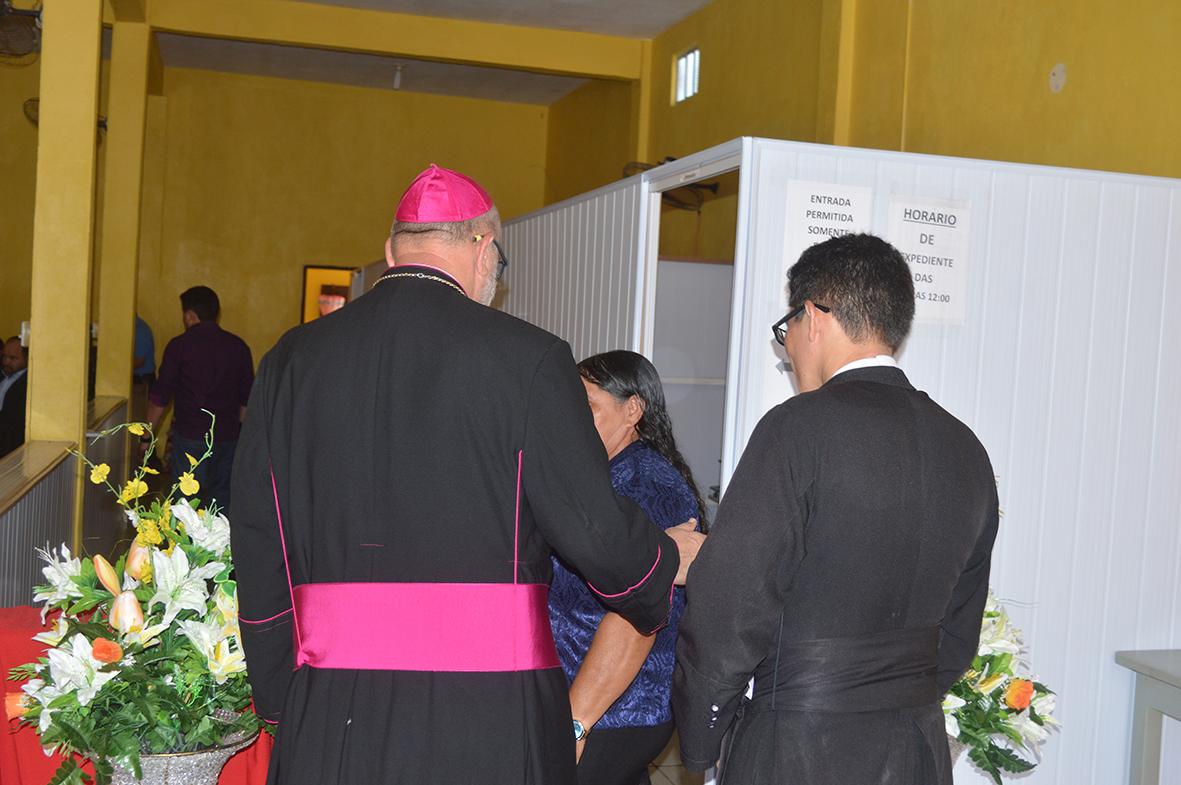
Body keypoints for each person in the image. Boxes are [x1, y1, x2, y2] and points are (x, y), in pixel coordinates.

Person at [230, 164, 704, 785]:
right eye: (498, 263)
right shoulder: (531, 359)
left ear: (391, 250)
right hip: (492, 708)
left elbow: (260, 538)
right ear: (483, 248)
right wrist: (661, 560)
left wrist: (278, 696)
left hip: (333, 700)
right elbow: (591, 529)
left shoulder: (290, 360)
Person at [672, 233, 999, 785]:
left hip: (796, 745)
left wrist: (703, 739)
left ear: (815, 316)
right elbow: (961, 624)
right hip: (916, 749)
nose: (789, 347)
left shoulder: (796, 429)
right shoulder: (965, 448)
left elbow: (732, 604)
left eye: (788, 330)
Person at [549, 350, 706, 785]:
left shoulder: (646, 483)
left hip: (616, 710)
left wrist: (577, 722)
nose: (574, 419)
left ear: (632, 409)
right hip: (602, 704)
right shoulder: (607, 474)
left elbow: (637, 612)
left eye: (589, 406)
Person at [146, 286, 253, 512]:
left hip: (191, 437)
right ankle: (218, 547)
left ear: (189, 315)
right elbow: (246, 401)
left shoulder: (179, 346)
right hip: (228, 438)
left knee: (186, 506)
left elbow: (160, 396)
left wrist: (146, 437)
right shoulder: (239, 347)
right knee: (220, 506)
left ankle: (185, 546)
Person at [0, 336, 29, 457]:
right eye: (4, 357)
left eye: (13, 358)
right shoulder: (4, 375)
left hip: (10, 449)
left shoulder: (28, 383)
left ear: (27, 358)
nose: (6, 362)